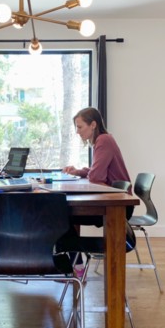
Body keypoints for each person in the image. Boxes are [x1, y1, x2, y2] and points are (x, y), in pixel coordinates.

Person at [62, 107, 134, 276]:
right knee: (65, 216)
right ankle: (76, 266)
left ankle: (76, 267)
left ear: (93, 124)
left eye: (80, 127)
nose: (77, 132)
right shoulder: (102, 140)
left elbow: (96, 176)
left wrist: (87, 173)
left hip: (118, 205)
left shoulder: (104, 140)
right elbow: (96, 173)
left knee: (63, 216)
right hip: (113, 200)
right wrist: (78, 172)